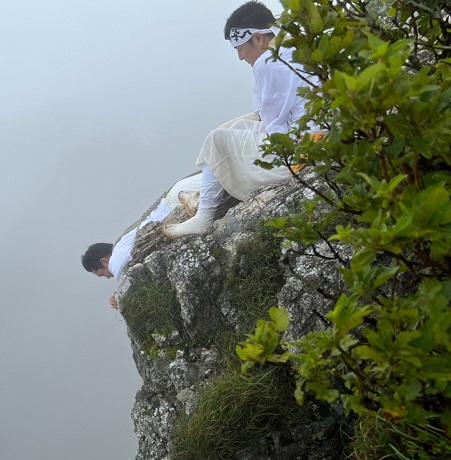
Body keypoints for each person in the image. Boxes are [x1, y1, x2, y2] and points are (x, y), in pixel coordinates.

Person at [163, 1, 319, 238]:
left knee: (218, 138)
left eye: (240, 49)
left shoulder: (267, 62)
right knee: (239, 127)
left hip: (302, 153)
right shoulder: (294, 44)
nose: (240, 57)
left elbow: (269, 120)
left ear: (258, 39)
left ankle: (203, 217)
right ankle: (203, 196)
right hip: (319, 135)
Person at [82, 173, 201, 308]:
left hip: (178, 200)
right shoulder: (123, 244)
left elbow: (123, 275)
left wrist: (120, 297)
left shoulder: (115, 260)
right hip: (178, 195)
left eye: (102, 274)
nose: (108, 277)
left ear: (104, 261)